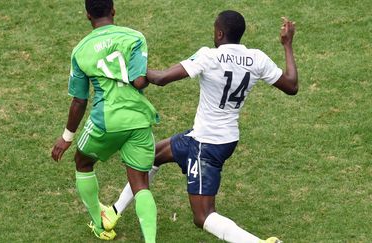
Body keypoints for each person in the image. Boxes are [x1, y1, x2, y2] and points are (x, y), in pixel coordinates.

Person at [100, 10, 298, 243]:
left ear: (220, 33)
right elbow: (292, 85)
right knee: (150, 156)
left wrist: (131, 72)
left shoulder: (209, 56)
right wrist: (287, 45)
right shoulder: (257, 58)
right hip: (216, 137)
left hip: (206, 144)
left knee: (203, 216)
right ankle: (113, 213)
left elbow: (162, 78)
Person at [51, 0, 159, 242]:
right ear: (113, 10)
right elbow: (140, 81)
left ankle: (101, 227)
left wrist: (66, 137)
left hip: (106, 121)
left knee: (82, 161)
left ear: (87, 15)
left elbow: (79, 100)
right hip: (138, 119)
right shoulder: (134, 37)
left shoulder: (80, 51)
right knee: (140, 182)